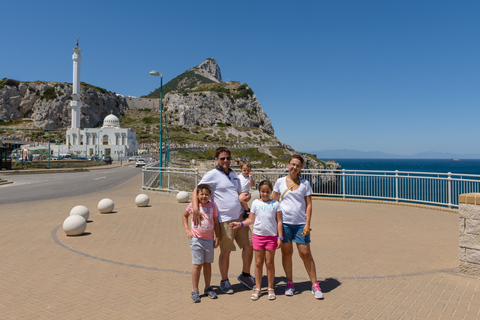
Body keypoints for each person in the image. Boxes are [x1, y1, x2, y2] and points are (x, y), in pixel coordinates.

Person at [191, 147, 254, 294]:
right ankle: (224, 281)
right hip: (224, 219)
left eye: (228, 158)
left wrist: (245, 198)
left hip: (240, 216)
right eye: (222, 158)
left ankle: (245, 275)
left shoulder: (233, 174)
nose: (226, 161)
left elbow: (238, 193)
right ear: (216, 160)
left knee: (249, 245)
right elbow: (196, 190)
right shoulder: (211, 174)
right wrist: (195, 209)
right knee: (226, 251)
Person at [272, 154, 324, 300]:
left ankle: (315, 284)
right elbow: (273, 202)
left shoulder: (305, 183)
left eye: (298, 165)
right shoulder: (280, 182)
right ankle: (290, 283)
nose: (295, 167)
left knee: (305, 252)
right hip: (284, 223)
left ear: (301, 168)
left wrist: (307, 223)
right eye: (293, 164)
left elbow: (309, 205)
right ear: (288, 165)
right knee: (286, 253)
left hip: (301, 224)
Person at [231, 180, 283, 301]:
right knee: (258, 263)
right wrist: (240, 224)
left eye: (267, 192)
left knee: (269, 263)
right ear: (259, 191)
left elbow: (279, 221)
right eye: (262, 191)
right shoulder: (255, 203)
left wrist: (280, 237)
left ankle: (271, 288)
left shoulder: (276, 204)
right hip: (258, 237)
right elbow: (251, 220)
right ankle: (258, 288)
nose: (265, 194)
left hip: (271, 237)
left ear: (271, 192)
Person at [182, 184, 220, 303]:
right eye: (201, 194)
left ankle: (208, 288)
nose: (204, 196)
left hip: (209, 240)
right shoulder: (194, 206)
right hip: (196, 240)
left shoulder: (213, 205)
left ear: (210, 195)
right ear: (197, 195)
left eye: (206, 194)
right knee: (197, 265)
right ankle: (195, 290)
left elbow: (216, 223)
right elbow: (184, 216)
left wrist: (217, 237)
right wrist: (187, 230)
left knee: (207, 264)